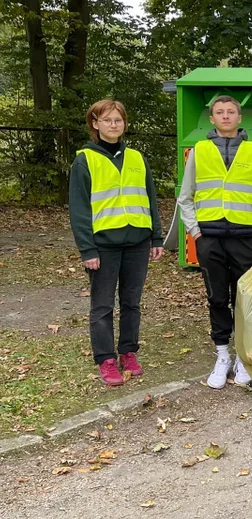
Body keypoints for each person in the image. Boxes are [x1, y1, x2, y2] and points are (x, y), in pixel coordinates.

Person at [178, 95, 252, 390]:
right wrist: (195, 233)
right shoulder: (200, 151)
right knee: (217, 298)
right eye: (220, 112)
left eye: (231, 112)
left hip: (246, 239)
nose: (226, 116)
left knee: (245, 301)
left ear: (239, 118)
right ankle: (222, 355)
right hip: (210, 238)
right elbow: (186, 196)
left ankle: (243, 357)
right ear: (212, 118)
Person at [69, 99, 164, 386]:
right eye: (107, 120)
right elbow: (80, 209)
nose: (114, 125)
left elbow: (150, 199)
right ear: (95, 124)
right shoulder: (85, 159)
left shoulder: (136, 157)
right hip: (103, 245)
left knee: (132, 302)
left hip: (137, 241)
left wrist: (156, 236)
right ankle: (106, 359)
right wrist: (87, 248)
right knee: (102, 306)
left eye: (118, 120)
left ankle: (128, 352)